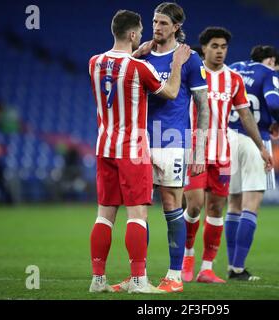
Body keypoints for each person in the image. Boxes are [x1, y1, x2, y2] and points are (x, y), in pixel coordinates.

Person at [88, 9, 191, 294]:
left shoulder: (94, 63)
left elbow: (116, 71)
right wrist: (178, 63)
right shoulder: (139, 68)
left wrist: (136, 52)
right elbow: (170, 92)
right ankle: (138, 281)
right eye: (142, 31)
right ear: (133, 34)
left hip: (104, 146)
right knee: (137, 216)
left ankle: (98, 280)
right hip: (132, 148)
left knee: (104, 216)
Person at [113, 2, 210, 293]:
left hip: (172, 141)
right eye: (155, 22)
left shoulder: (190, 59)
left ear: (177, 27)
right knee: (137, 210)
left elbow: (203, 107)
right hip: (141, 140)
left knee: (171, 205)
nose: (157, 27)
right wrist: (134, 52)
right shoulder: (141, 56)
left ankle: (174, 275)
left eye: (164, 23)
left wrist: (201, 149)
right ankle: (138, 275)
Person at [182, 27, 273, 284]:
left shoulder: (233, 79)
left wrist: (261, 147)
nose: (220, 51)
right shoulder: (192, 73)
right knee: (195, 204)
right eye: (215, 46)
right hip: (195, 149)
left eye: (224, 46)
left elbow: (245, 115)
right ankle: (187, 257)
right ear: (205, 48)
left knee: (216, 208)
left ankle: (206, 268)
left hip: (223, 152)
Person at [224, 45, 279, 281]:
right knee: (251, 206)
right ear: (271, 60)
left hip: (227, 138)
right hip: (255, 138)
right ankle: (238, 268)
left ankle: (231, 265)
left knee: (233, 206)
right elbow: (275, 103)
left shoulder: (233, 69)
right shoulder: (268, 73)